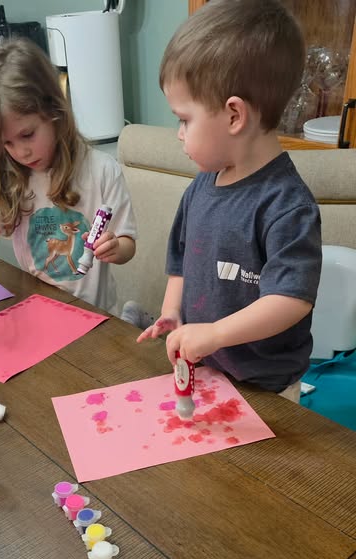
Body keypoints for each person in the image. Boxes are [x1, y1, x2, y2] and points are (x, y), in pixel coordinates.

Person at [137, 0, 322, 402]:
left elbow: (290, 300)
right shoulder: (201, 186)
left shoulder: (288, 206)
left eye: (184, 119)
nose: (179, 134)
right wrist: (173, 312)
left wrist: (216, 333)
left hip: (269, 388)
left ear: (234, 115)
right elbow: (180, 261)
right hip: (209, 372)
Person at [0, 39, 136, 314]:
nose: (21, 152)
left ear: (54, 111)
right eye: (6, 143)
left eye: (27, 135)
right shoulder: (9, 175)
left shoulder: (102, 171)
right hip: (40, 308)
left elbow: (127, 246)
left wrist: (115, 247)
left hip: (97, 316)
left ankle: (131, 315)